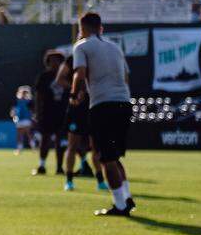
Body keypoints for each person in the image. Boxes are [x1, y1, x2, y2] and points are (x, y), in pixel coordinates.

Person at [71, 12, 135, 217]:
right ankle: (126, 197)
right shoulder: (115, 47)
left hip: (103, 105)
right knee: (114, 156)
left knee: (104, 157)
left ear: (82, 28)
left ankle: (120, 206)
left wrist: (74, 94)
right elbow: (125, 76)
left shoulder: (82, 46)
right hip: (123, 103)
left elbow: (79, 73)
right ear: (101, 27)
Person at [56, 56, 105, 192]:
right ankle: (69, 180)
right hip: (77, 109)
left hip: (95, 106)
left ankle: (101, 181)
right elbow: (60, 78)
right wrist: (75, 91)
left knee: (96, 147)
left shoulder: (98, 56)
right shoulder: (73, 58)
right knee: (73, 145)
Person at [32, 50, 67, 175]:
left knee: (60, 140)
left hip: (62, 112)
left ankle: (59, 167)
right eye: (51, 60)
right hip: (47, 112)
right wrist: (37, 112)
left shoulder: (67, 76)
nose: (54, 63)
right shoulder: (44, 77)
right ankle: (42, 165)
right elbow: (38, 96)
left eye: (57, 60)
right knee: (45, 139)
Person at [10, 86, 34, 155]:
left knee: (28, 134)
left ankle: (33, 147)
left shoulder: (29, 101)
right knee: (20, 135)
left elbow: (31, 111)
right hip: (20, 120)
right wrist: (14, 115)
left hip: (26, 120)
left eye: (25, 93)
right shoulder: (18, 101)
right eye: (23, 93)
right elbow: (14, 110)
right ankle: (19, 149)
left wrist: (31, 118)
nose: (23, 94)